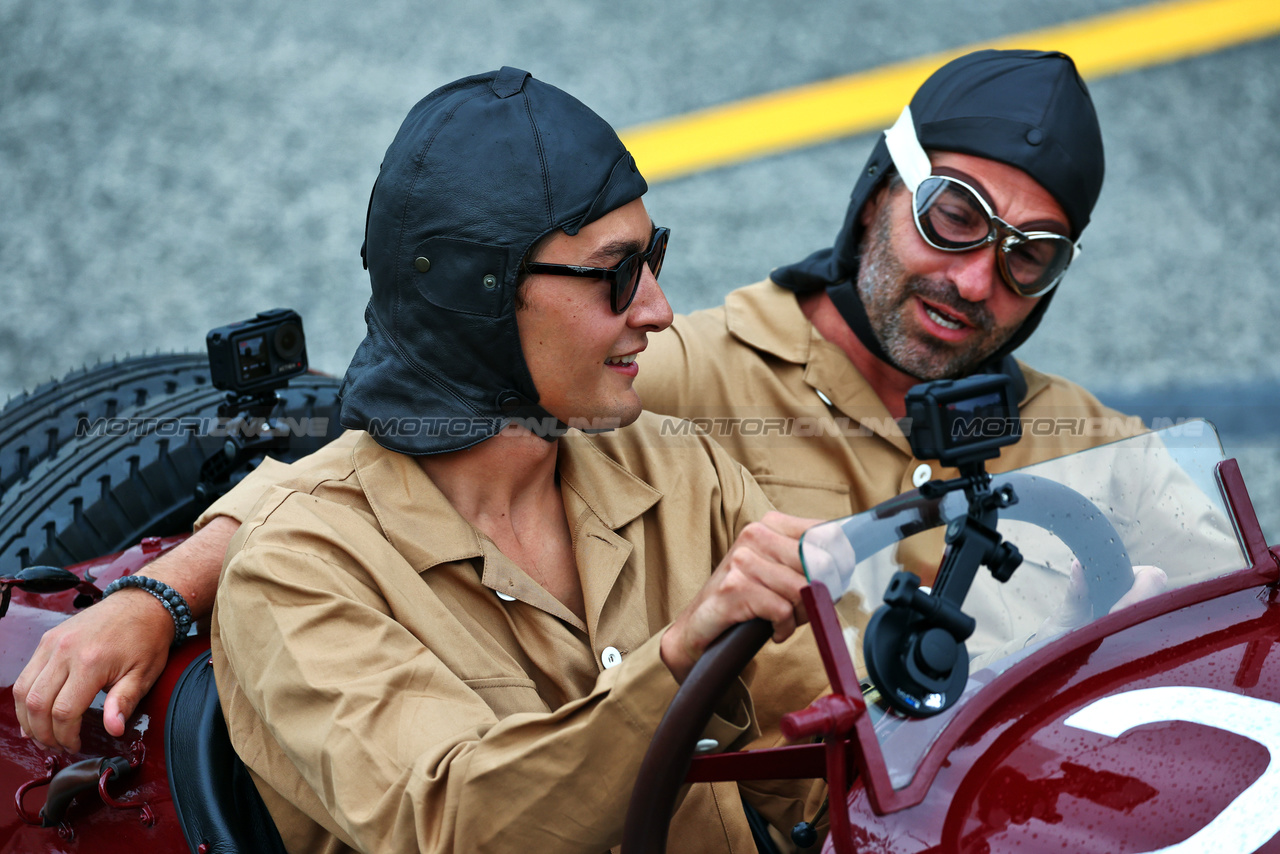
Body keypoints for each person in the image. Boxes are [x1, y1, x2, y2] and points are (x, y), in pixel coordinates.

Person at [13, 49, 1224, 760]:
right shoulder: (680, 368)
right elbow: (367, 457)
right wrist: (164, 590)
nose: (974, 281)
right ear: (876, 195)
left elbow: (1239, 634)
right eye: (952, 218)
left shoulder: (1091, 442)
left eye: (1028, 256)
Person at [198, 68, 817, 853]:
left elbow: (838, 742)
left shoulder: (678, 470)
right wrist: (676, 660)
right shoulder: (299, 565)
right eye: (618, 273)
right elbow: (449, 822)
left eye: (654, 257)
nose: (656, 308)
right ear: (477, 295)